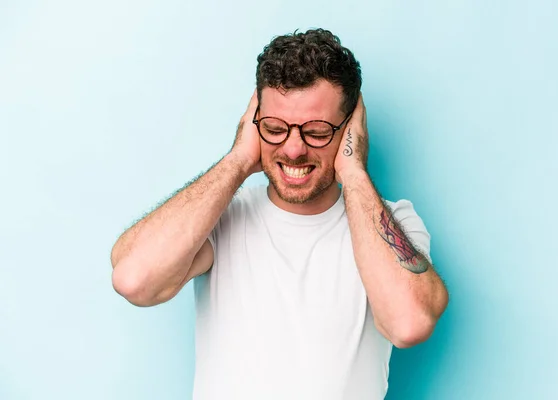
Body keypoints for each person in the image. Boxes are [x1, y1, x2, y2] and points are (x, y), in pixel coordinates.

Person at [110, 28, 449, 400]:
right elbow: (134, 280)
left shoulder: (392, 223)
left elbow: (409, 323)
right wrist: (238, 160)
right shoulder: (223, 218)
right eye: (274, 128)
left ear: (351, 128)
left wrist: (353, 171)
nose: (292, 149)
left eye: (317, 132)